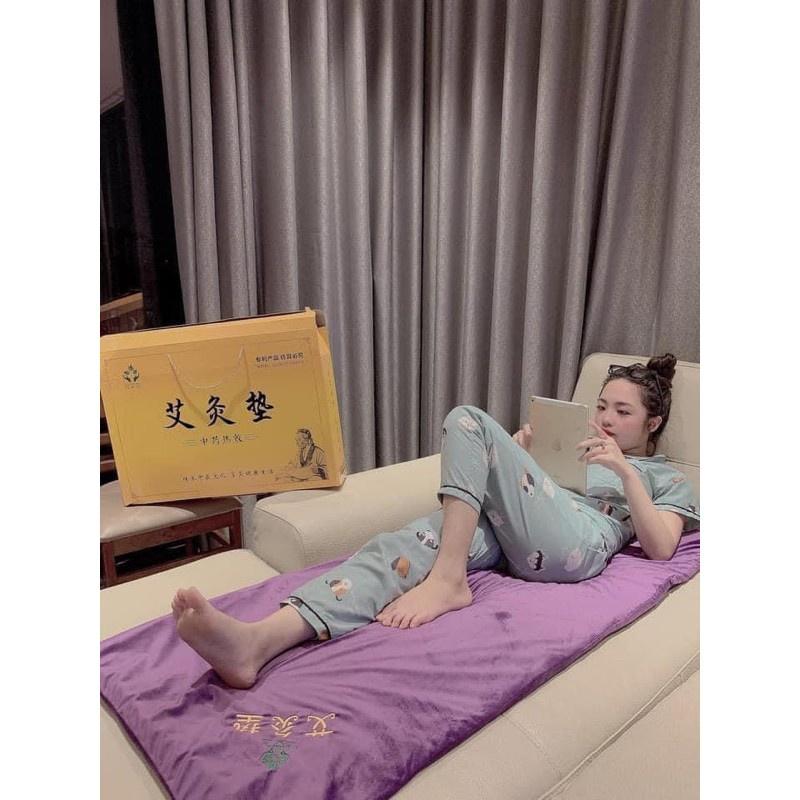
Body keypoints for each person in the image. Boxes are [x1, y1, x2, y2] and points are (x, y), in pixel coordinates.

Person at [171, 354, 699, 688]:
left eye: (623, 413)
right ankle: (259, 640)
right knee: (403, 547)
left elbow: (660, 547)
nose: (605, 420)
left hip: (575, 544)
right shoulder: (577, 448)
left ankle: (449, 581)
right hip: (522, 527)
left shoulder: (664, 477)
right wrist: (518, 459)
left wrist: (624, 472)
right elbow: (530, 494)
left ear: (652, 422)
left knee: (467, 418)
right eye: (602, 406)